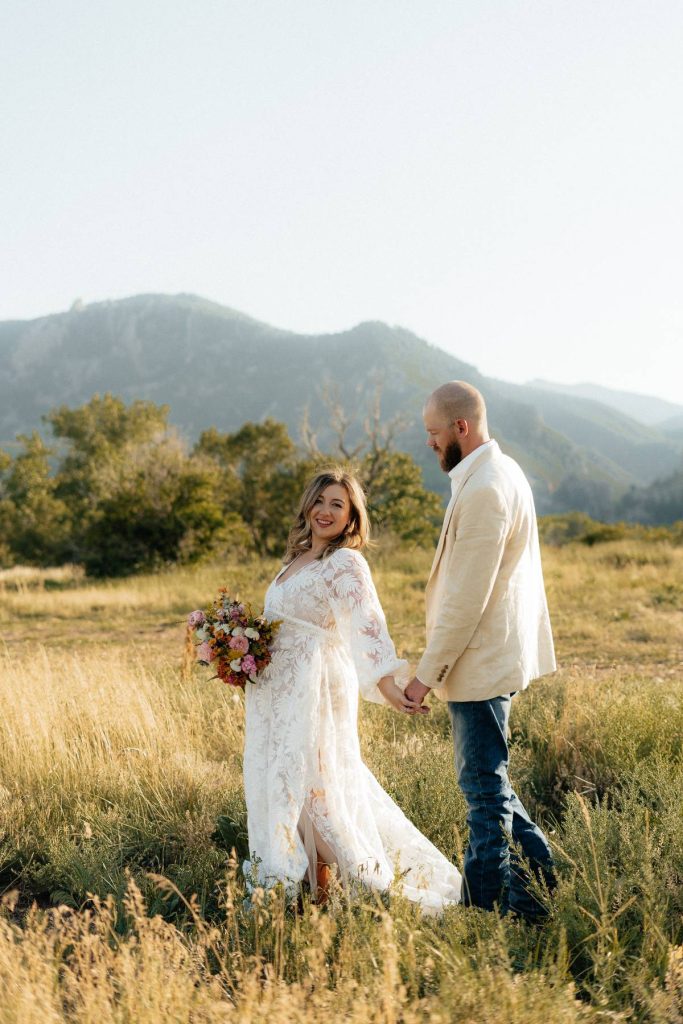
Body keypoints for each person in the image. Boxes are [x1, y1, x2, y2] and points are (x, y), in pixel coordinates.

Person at [242, 467, 462, 912]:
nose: (325, 511)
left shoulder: (346, 563)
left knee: (316, 784)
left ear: (352, 517)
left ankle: (369, 889)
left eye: (337, 505)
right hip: (278, 693)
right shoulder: (296, 560)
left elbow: (367, 626)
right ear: (307, 504)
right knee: (285, 782)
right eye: (320, 501)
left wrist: (389, 685)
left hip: (316, 687)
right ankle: (310, 886)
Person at [405, 381, 557, 921]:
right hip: (492, 655)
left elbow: (466, 600)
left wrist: (425, 676)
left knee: (483, 792)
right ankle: (543, 892)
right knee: (494, 784)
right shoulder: (497, 471)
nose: (429, 441)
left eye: (433, 432)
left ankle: (483, 915)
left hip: (482, 660)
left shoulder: (487, 487)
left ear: (460, 428)